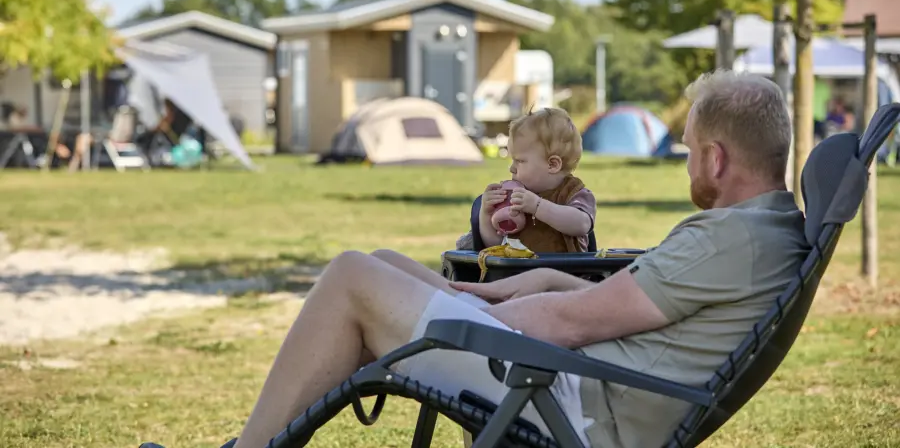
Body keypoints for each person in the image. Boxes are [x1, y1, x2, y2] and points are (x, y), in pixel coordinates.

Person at [226, 70, 807, 448]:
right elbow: (617, 307)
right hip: (585, 380)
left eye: (687, 153)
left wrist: (461, 311)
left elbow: (566, 324)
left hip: (572, 404)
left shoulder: (729, 240)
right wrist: (539, 279)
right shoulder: (765, 231)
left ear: (715, 159)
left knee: (353, 275)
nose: (685, 166)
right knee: (383, 261)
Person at [455, 107, 597, 254]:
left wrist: (537, 206)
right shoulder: (515, 198)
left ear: (552, 164)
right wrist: (486, 215)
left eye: (520, 161)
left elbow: (582, 224)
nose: (512, 168)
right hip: (519, 274)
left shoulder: (574, 193)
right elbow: (495, 246)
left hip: (568, 274)